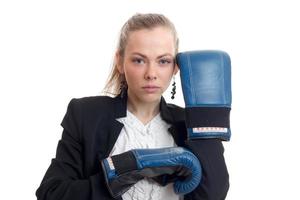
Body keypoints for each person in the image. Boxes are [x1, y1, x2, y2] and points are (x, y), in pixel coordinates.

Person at [36, 13, 229, 200]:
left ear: (176, 67)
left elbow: (213, 195)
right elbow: (51, 193)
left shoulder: (189, 123)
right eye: (139, 60)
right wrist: (125, 168)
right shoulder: (86, 115)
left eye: (163, 61)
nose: (151, 73)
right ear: (120, 62)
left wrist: (207, 117)